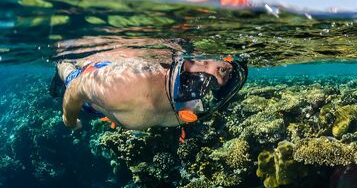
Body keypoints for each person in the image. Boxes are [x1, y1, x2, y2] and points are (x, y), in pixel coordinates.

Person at [50, 48, 247, 131]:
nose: (225, 79)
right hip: (93, 93)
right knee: (70, 74)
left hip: (114, 104)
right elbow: (77, 88)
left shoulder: (196, 102)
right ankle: (62, 64)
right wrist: (69, 121)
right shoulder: (126, 86)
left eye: (228, 74)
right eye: (223, 69)